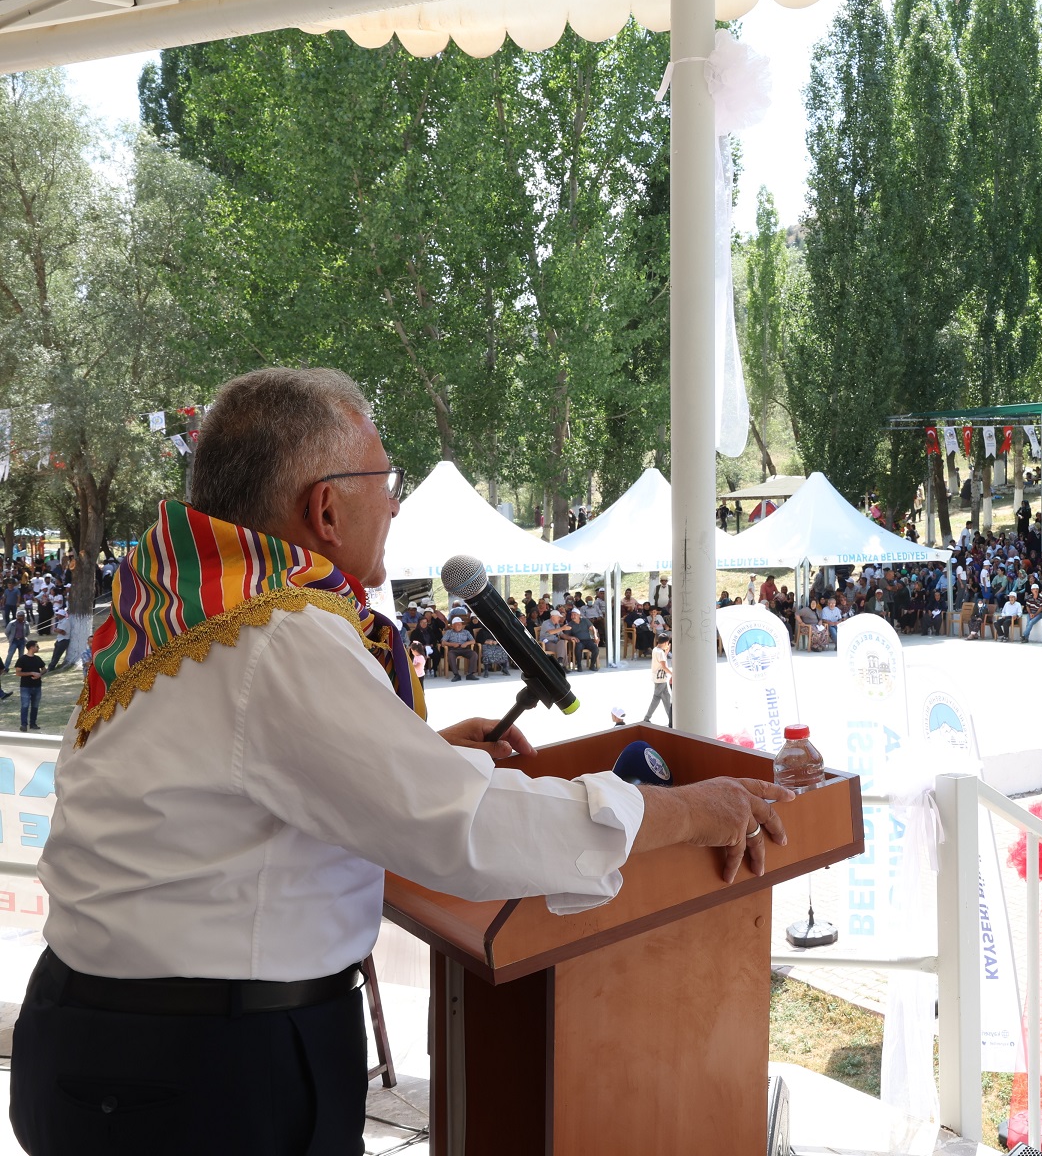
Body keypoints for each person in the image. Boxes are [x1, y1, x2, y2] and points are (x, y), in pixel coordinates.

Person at [16, 367, 793, 1156]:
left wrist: (416, 753)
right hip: (201, 1075)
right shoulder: (278, 632)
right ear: (325, 508)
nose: (393, 506)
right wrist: (693, 810)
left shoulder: (202, 604)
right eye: (387, 485)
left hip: (123, 1042)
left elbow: (244, 773)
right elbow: (465, 829)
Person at [645, 633, 674, 724]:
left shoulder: (655, 650)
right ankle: (646, 718)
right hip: (660, 678)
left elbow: (661, 660)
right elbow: (664, 666)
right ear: (665, 643)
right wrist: (673, 674)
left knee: (666, 698)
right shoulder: (660, 652)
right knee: (657, 698)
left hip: (658, 678)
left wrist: (666, 652)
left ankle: (671, 719)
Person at [15, 639, 44, 731]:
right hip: (25, 686)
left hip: (37, 686)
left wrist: (40, 674)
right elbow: (18, 673)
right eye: (37, 646)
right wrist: (31, 673)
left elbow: (44, 669)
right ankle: (23, 724)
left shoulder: (37, 659)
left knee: (35, 705)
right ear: (31, 647)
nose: (38, 648)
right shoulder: (22, 659)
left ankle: (33, 723)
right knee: (25, 705)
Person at [440, 615, 479, 681]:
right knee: (450, 655)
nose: (459, 626)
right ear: (452, 626)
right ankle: (456, 675)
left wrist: (466, 643)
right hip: (453, 649)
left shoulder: (466, 632)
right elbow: (443, 642)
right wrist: (452, 644)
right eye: (457, 624)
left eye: (460, 624)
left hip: (464, 648)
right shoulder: (449, 632)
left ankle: (470, 674)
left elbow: (473, 640)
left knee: (474, 654)